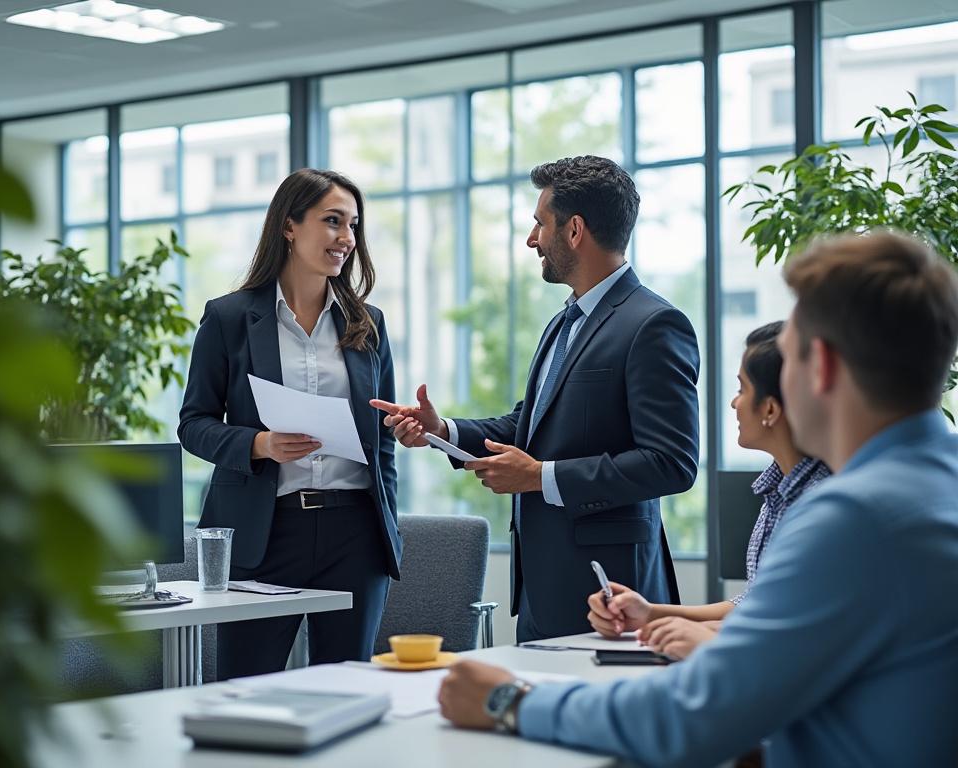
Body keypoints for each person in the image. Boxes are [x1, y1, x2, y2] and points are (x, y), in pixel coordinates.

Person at [437, 230, 958, 766]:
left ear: (820, 366)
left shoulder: (855, 518)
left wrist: (508, 700)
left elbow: (691, 717)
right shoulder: (937, 483)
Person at [372, 155, 700, 642]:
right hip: (541, 588)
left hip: (611, 590)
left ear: (574, 231)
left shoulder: (654, 324)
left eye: (539, 224)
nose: (531, 240)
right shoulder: (563, 322)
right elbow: (531, 425)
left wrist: (540, 477)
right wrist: (443, 432)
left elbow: (672, 462)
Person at [177, 169, 399, 680]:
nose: (347, 238)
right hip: (264, 531)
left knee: (347, 690)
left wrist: (387, 530)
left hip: (355, 533)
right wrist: (259, 443)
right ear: (289, 226)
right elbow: (193, 424)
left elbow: (380, 439)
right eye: (332, 222)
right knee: (246, 689)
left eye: (353, 225)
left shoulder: (368, 322)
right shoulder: (230, 317)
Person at [588, 321, 831, 660]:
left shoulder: (824, 506)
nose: (734, 403)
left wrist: (705, 638)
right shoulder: (778, 493)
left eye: (742, 390)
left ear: (771, 409)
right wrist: (650, 614)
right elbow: (753, 607)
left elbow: (797, 630)